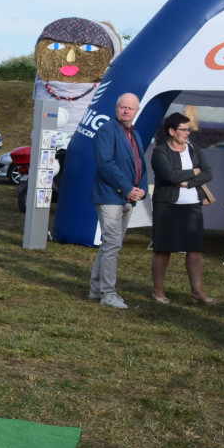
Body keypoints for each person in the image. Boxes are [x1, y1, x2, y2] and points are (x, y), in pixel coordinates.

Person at [89, 93, 148, 310]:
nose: (126, 111)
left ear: (136, 111)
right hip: (111, 196)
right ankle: (108, 294)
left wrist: (141, 189)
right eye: (122, 107)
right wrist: (127, 189)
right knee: (113, 244)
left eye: (130, 108)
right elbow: (105, 164)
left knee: (110, 244)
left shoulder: (134, 134)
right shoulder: (107, 130)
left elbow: (139, 163)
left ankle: (96, 289)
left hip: (127, 196)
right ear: (116, 108)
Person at [149, 112, 215, 305]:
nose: (188, 133)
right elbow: (169, 175)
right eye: (184, 129)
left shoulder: (194, 149)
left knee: (195, 250)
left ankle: (197, 291)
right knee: (162, 249)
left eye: (189, 129)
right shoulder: (160, 152)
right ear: (171, 131)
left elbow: (208, 173)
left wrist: (187, 182)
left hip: (191, 205)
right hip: (166, 206)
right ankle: (158, 290)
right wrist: (194, 171)